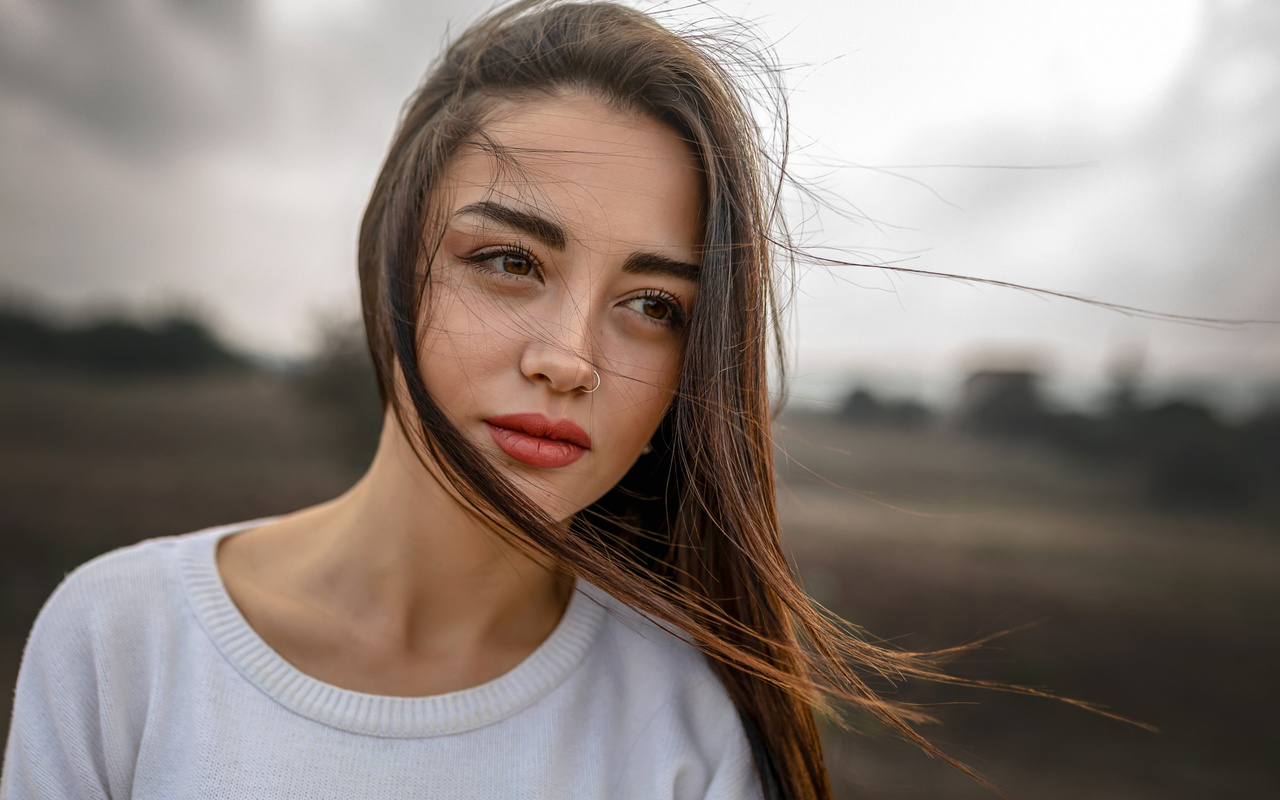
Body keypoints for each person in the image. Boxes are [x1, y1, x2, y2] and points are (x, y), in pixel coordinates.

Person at [1, 2, 976, 798]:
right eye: (509, 261)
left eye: (650, 305)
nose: (568, 360)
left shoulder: (685, 724)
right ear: (392, 267)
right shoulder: (123, 637)